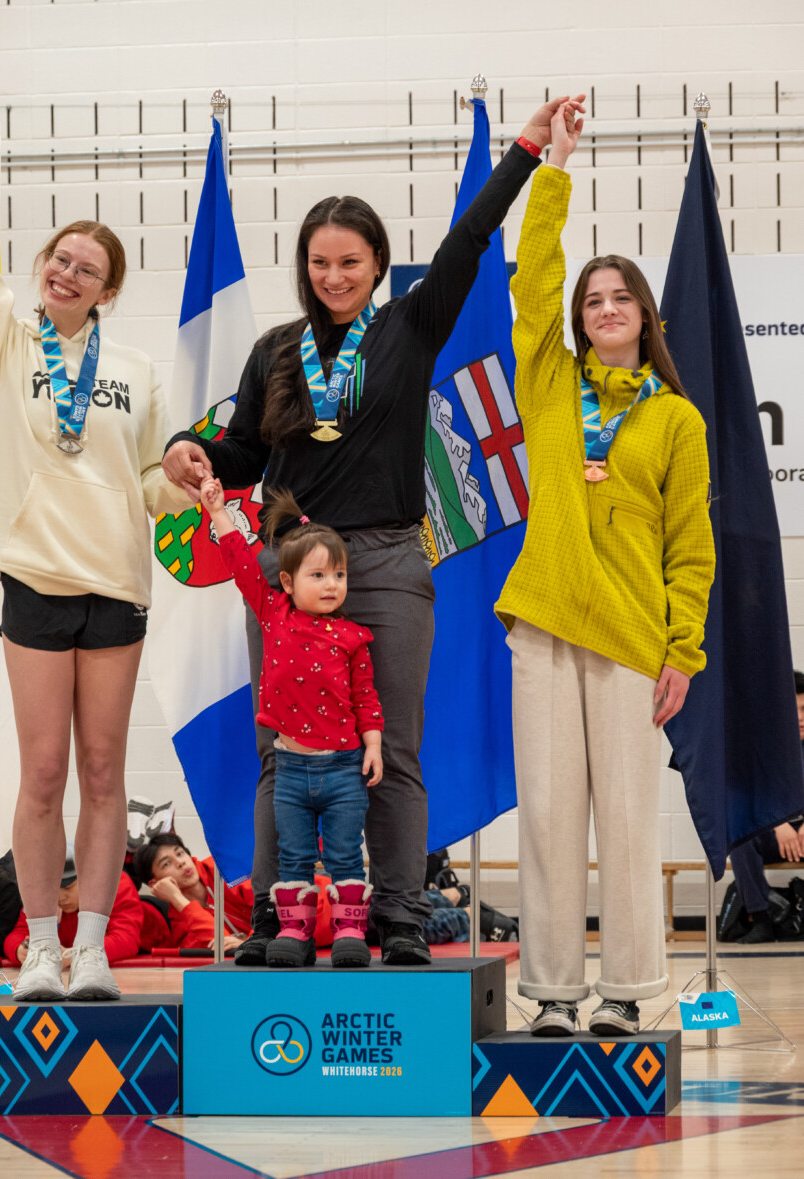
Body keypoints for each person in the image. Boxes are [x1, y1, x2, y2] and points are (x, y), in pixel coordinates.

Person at [162, 96, 569, 967]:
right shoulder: (275, 350)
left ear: (378, 265)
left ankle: (397, 917)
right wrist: (183, 450)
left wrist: (529, 148)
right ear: (304, 267)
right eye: (319, 263)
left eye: (349, 262)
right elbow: (237, 450)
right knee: (283, 748)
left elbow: (467, 240)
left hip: (385, 560)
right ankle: (278, 917)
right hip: (284, 564)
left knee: (395, 749)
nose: (333, 277)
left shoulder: (408, 328)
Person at [0, 116, 191, 1003]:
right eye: (58, 258)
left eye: (86, 268)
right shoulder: (4, 335)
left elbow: (149, 478)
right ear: (42, 266)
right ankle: (41, 944)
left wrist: (181, 481)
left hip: (115, 584)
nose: (65, 272)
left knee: (105, 770)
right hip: (34, 579)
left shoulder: (140, 370)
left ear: (105, 290)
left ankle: (93, 951)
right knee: (43, 770)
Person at [494, 101, 716, 1037]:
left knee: (626, 821)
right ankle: (548, 992)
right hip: (544, 622)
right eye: (593, 300)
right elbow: (532, 276)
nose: (605, 308)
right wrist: (552, 167)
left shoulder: (674, 419)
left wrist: (682, 648)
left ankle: (632, 988)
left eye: (620, 297)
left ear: (644, 315)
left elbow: (689, 547)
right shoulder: (547, 378)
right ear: (579, 321)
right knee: (547, 819)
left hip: (630, 637)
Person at [201, 477, 383, 968]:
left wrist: (373, 745)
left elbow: (366, 696)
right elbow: (240, 561)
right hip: (290, 770)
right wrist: (219, 514)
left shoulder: (352, 637)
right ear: (287, 582)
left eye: (338, 576)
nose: (332, 586)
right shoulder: (273, 613)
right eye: (318, 576)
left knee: (346, 854)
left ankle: (350, 932)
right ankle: (294, 932)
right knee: (295, 856)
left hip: (344, 769)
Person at [727, 669, 804, 943]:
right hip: (775, 831)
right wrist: (778, 823)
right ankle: (761, 920)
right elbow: (747, 794)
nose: (800, 717)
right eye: (792, 710)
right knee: (738, 836)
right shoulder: (764, 747)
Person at [4, 844, 144, 984]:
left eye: (68, 888)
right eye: (53, 890)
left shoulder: (116, 885)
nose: (60, 898)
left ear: (90, 879)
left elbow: (127, 940)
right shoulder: (41, 894)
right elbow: (18, 932)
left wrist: (72, 956)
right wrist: (19, 951)